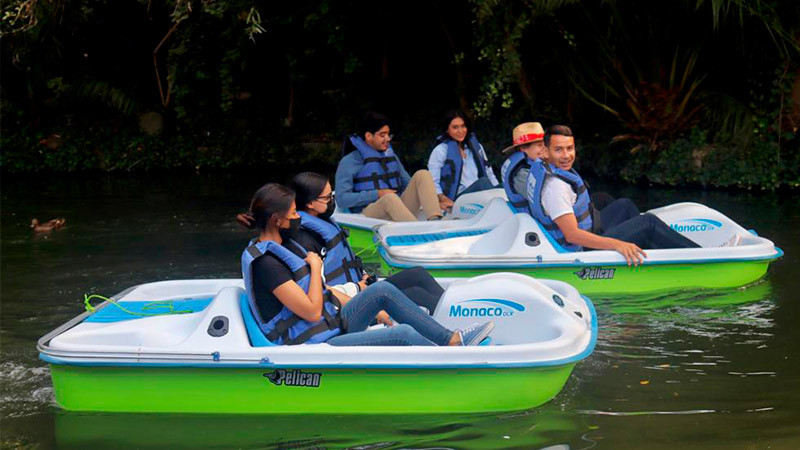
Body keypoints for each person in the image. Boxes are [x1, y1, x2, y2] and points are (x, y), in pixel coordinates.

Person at [240, 183, 494, 346]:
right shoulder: (267, 265)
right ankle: (452, 360)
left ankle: (450, 340)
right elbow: (311, 312)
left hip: (331, 325)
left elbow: (326, 294)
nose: (298, 218)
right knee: (402, 334)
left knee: (381, 292)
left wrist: (370, 308)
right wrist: (316, 269)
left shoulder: (286, 247)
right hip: (314, 345)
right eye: (293, 213)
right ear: (276, 219)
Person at [527, 125, 702, 266]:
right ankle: (702, 257)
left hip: (591, 230)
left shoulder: (545, 166)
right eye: (558, 150)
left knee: (624, 205)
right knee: (648, 223)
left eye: (570, 148)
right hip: (583, 250)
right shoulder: (555, 188)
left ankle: (646, 256)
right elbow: (572, 235)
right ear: (545, 151)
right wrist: (618, 244)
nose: (566, 156)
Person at [288, 171, 446, 313]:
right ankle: (452, 322)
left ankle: (453, 310)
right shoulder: (305, 240)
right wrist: (357, 287)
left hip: (361, 287)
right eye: (328, 197)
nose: (332, 201)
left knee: (417, 274)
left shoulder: (324, 223)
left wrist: (363, 277)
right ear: (310, 203)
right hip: (350, 302)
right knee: (416, 293)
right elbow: (318, 290)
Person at [335, 112, 443, 221]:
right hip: (368, 214)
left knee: (422, 174)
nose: (388, 139)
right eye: (382, 135)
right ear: (368, 136)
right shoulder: (350, 161)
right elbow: (342, 199)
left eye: (388, 134)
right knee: (389, 198)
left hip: (398, 209)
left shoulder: (391, 156)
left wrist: (433, 199)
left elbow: (408, 184)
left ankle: (435, 222)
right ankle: (417, 233)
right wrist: (377, 194)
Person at [427, 110, 499, 210]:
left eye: (463, 126)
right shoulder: (440, 151)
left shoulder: (477, 147)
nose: (461, 131)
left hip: (481, 194)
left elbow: (489, 172)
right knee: (483, 182)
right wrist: (442, 198)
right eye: (455, 127)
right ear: (447, 130)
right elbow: (432, 181)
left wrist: (498, 190)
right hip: (459, 199)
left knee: (503, 187)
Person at [499, 122, 547, 214]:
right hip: (533, 223)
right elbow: (546, 201)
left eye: (545, 144)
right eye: (540, 145)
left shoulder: (534, 163)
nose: (545, 148)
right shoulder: (521, 174)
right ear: (523, 148)